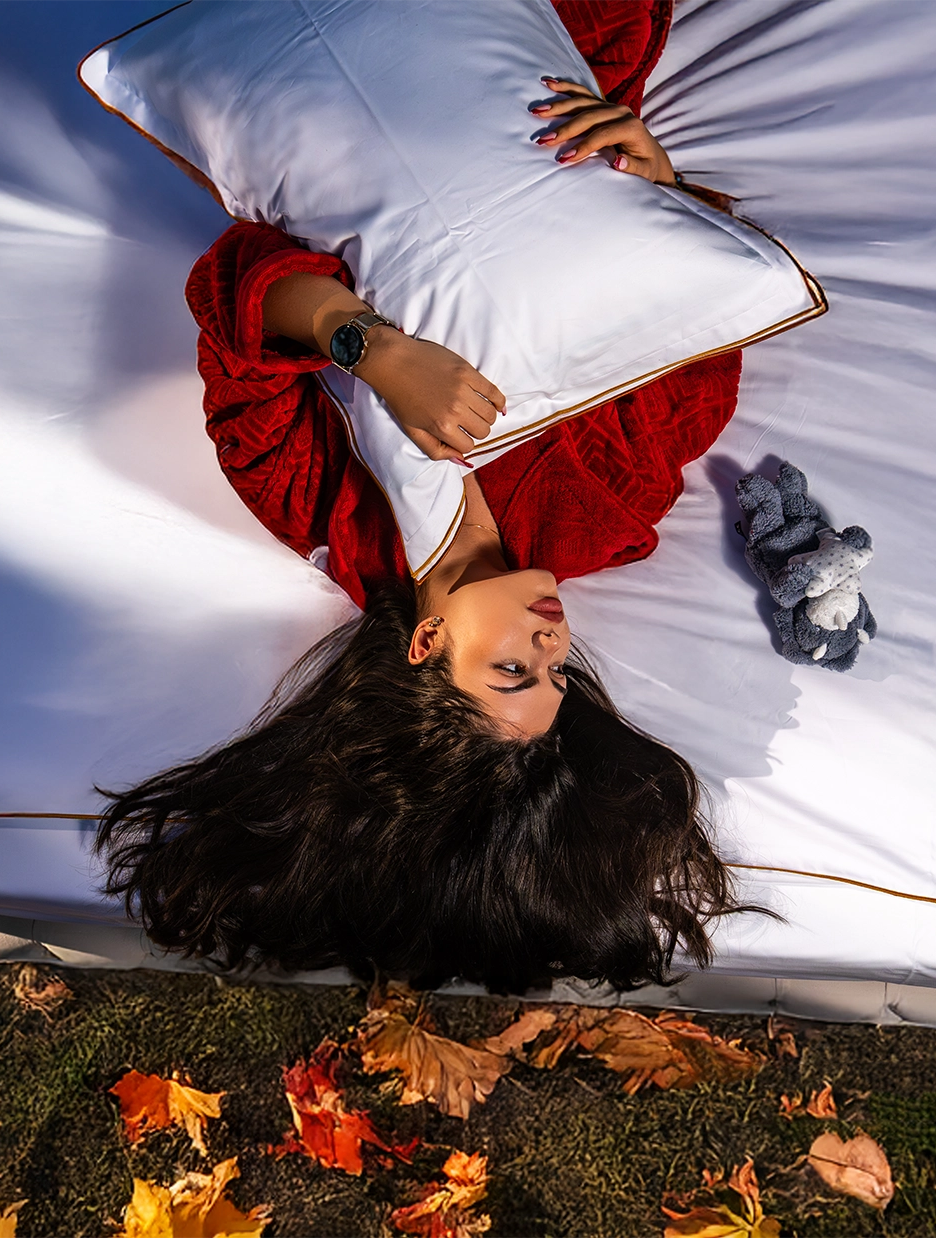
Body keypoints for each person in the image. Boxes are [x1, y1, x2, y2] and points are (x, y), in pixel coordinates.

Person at [97, 0, 759, 994]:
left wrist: (372, 349)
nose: (554, 642)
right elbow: (692, 338)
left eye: (514, 670)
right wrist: (654, 188)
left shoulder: (317, 506)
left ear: (426, 646)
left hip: (336, 96)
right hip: (531, 93)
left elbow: (236, 286)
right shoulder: (603, 510)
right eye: (559, 675)